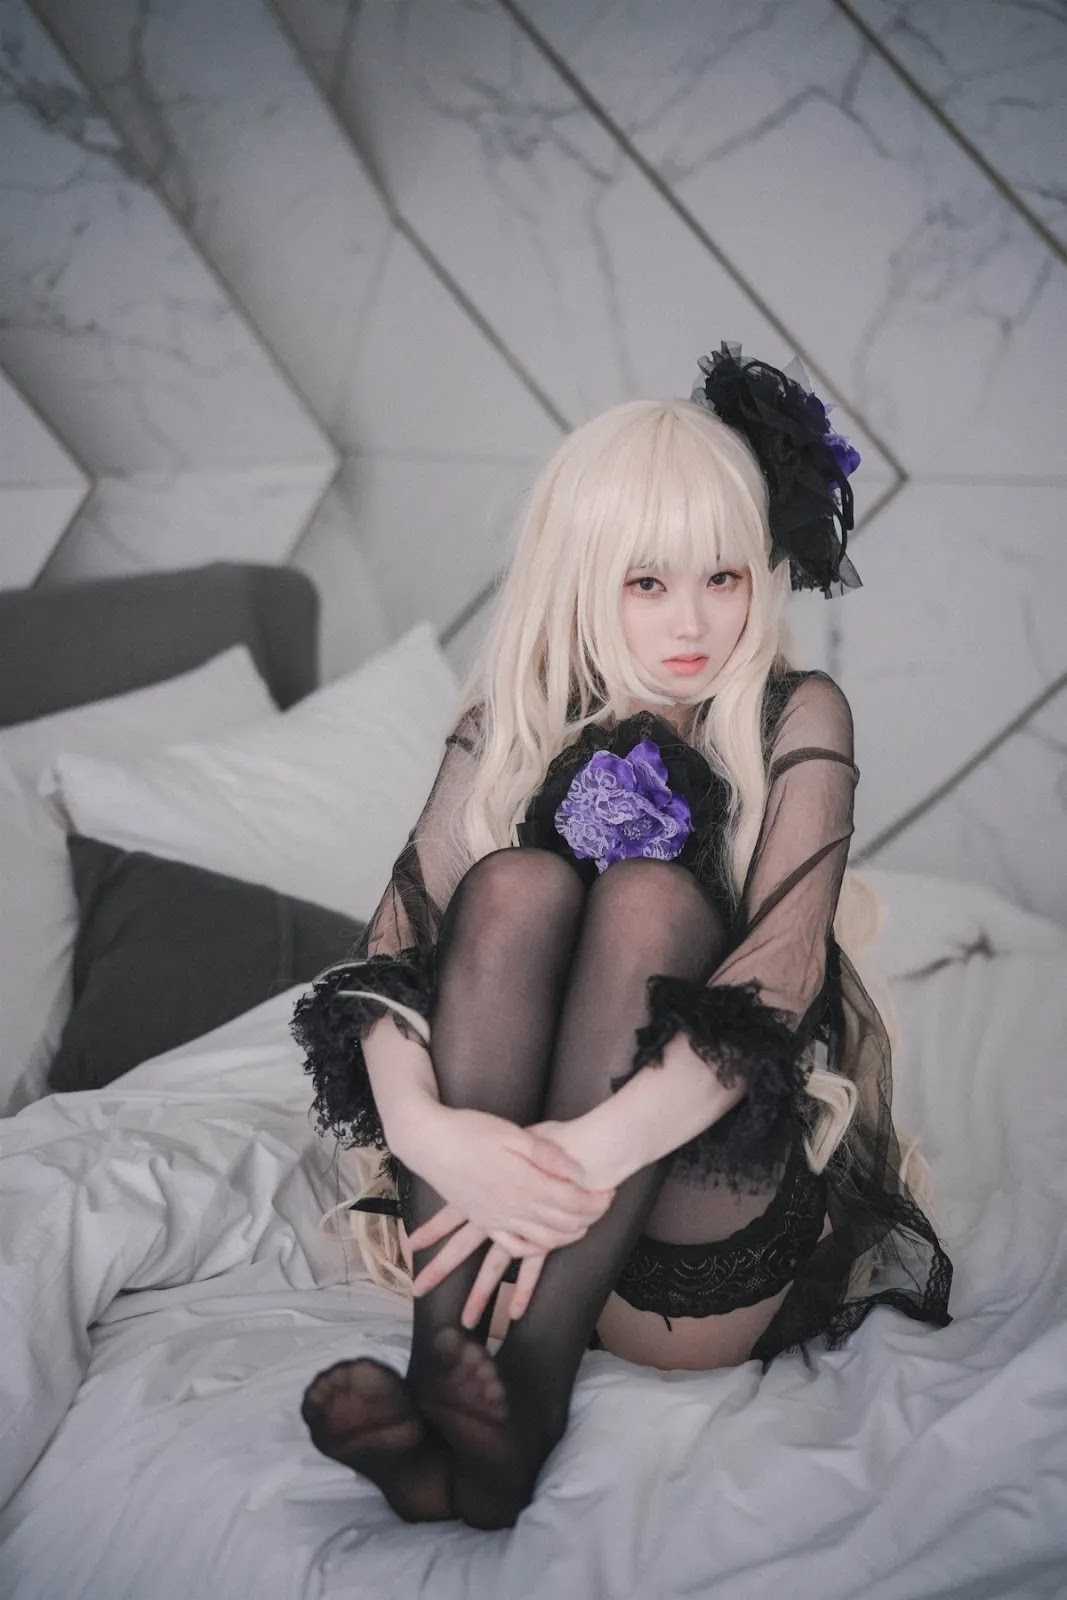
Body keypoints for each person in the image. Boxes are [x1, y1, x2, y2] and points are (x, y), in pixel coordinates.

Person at [290, 342, 954, 1531]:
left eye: (722, 576)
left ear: (759, 573)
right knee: (510, 886)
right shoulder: (505, 724)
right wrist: (438, 1133)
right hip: (501, 1214)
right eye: (646, 582)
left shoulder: (796, 714)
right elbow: (386, 966)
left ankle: (523, 1403)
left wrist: (569, 1159)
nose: (691, 622)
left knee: (649, 899)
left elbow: (774, 989)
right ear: (579, 574)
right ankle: (449, 1388)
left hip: (680, 1246)